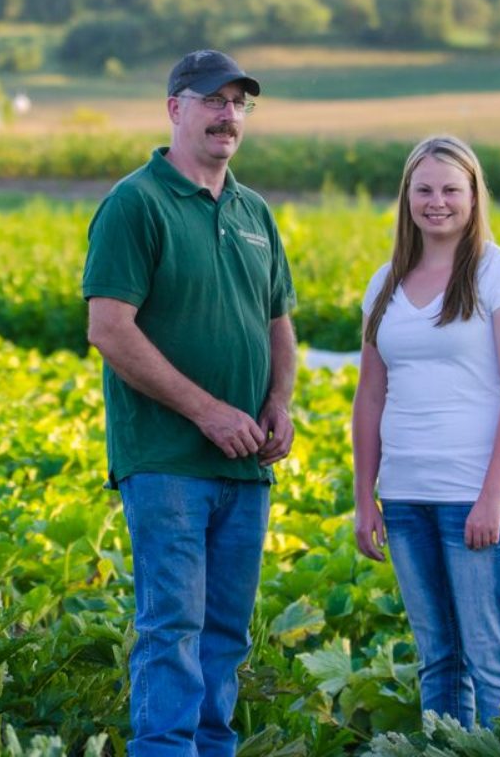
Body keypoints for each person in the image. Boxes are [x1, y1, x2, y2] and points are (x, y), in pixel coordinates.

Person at [81, 49, 297, 757]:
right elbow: (109, 328)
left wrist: (279, 404)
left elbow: (278, 324)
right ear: (175, 108)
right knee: (173, 627)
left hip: (245, 465)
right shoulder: (135, 203)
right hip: (169, 460)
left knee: (227, 633)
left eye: (239, 102)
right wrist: (207, 410)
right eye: (212, 100)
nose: (227, 114)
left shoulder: (252, 210)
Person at [350, 134, 500, 729]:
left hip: (477, 497)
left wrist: (491, 497)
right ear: (407, 196)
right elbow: (371, 394)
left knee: (491, 659)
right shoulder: (385, 281)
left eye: (451, 189)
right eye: (424, 189)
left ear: (474, 195)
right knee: (438, 660)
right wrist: (365, 499)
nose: (437, 202)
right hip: (407, 496)